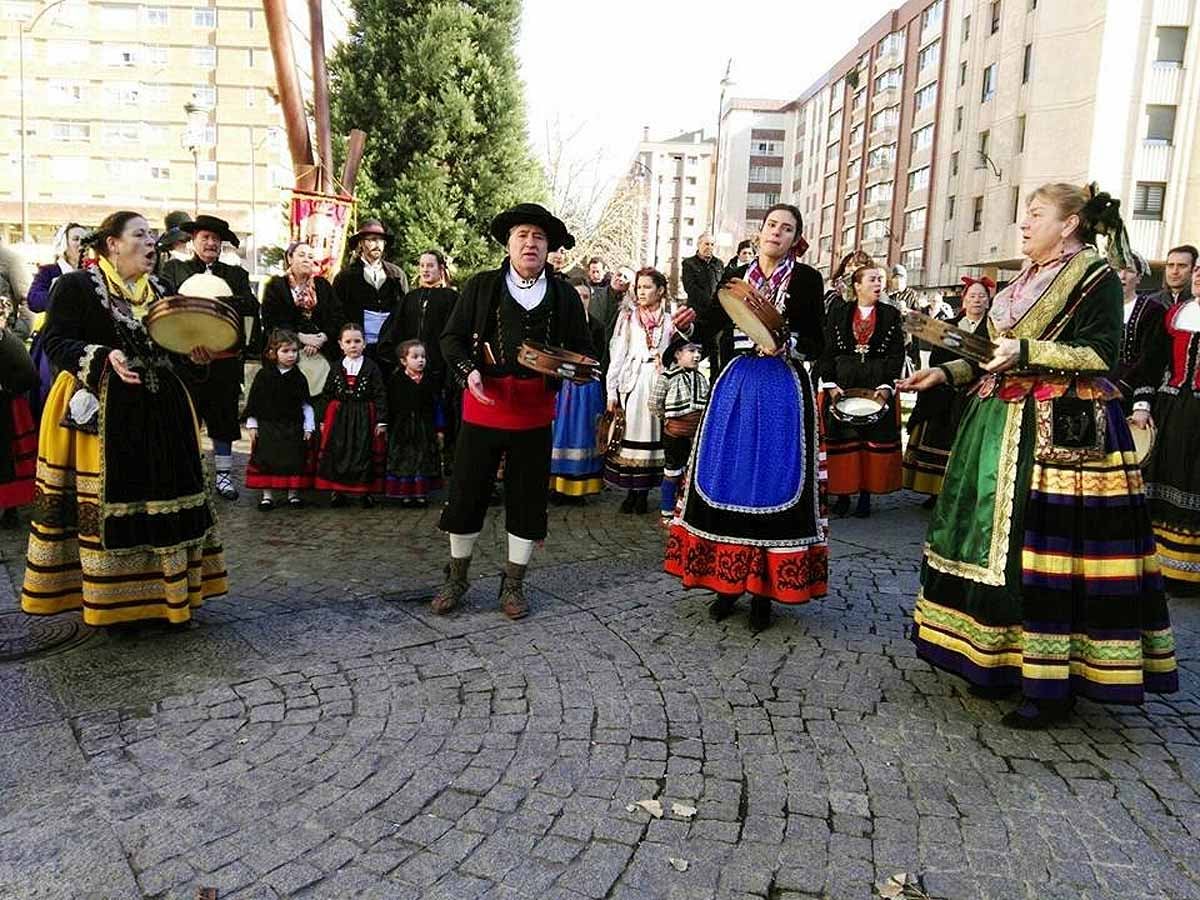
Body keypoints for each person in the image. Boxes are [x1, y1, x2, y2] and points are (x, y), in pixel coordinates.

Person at [900, 182, 1178, 728]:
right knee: (994, 548)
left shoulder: (1092, 275)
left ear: (1069, 224)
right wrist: (946, 371)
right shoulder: (1024, 279)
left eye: (1036, 214)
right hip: (999, 423)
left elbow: (1101, 354)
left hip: (1059, 435)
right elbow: (989, 355)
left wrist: (1027, 351)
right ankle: (995, 660)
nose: (1024, 224)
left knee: (1045, 551)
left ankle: (1052, 683)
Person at [20, 210, 227, 626]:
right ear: (112, 243)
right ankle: (109, 603)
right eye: (140, 234)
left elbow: (176, 351)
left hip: (162, 411)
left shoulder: (163, 288)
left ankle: (166, 598)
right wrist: (101, 355)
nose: (151, 242)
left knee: (166, 499)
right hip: (100, 409)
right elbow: (56, 341)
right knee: (108, 503)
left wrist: (196, 356)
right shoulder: (75, 286)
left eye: (152, 235)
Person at [665, 203, 827, 632]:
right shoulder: (736, 276)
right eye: (772, 225)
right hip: (735, 383)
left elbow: (819, 340)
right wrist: (686, 325)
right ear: (760, 232)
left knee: (773, 480)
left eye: (786, 228)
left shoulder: (807, 281)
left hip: (782, 389)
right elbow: (710, 324)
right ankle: (726, 584)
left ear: (796, 238)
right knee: (729, 476)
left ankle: (764, 592)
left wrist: (789, 343)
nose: (777, 232)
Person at [433, 203, 596, 620]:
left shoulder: (563, 296)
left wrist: (575, 371)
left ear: (549, 248)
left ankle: (514, 583)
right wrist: (467, 372)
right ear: (508, 243)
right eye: (522, 235)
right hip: (483, 404)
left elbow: (585, 354)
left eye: (538, 238)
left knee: (526, 499)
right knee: (466, 493)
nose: (530, 243)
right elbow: (450, 339)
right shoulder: (482, 286)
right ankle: (456, 577)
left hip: (534, 411)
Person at [161, 214, 259, 501]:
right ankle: (189, 477)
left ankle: (224, 477)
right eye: (205, 237)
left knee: (224, 418)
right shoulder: (174, 270)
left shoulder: (236, 275)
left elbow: (250, 308)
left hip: (223, 359)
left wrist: (223, 299)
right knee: (186, 418)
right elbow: (165, 306)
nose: (211, 243)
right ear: (193, 240)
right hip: (186, 358)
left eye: (216, 239)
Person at [820, 265, 905, 519]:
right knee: (842, 440)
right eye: (872, 279)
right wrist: (831, 384)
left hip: (876, 384)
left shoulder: (890, 314)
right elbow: (827, 349)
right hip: (843, 383)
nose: (879, 283)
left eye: (881, 279)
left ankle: (866, 494)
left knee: (870, 440)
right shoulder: (839, 312)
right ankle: (843, 493)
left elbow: (896, 353)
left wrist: (886, 387)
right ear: (857, 285)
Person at [902, 276, 993, 507]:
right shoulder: (949, 326)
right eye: (972, 296)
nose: (977, 300)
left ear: (988, 300)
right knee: (938, 433)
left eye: (981, 296)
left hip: (978, 391)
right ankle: (935, 491)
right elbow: (936, 358)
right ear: (964, 299)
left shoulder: (994, 328)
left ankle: (964, 492)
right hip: (945, 390)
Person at [1140, 261, 1200, 595]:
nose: (1198, 276)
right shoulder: (1175, 315)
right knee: (1167, 479)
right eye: (1198, 271)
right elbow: (1153, 362)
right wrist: (1143, 403)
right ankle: (1161, 566)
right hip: (1173, 408)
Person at [605, 267, 676, 514]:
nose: (641, 291)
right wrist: (611, 391)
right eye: (639, 287)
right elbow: (617, 353)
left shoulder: (670, 319)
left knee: (653, 437)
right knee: (630, 435)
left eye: (647, 287)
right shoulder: (628, 317)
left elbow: (682, 350)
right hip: (633, 382)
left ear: (661, 290)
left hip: (658, 383)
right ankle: (631, 491)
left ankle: (644, 492)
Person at [378, 250, 459, 461]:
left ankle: (441, 460)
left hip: (439, 369)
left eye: (430, 265)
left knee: (439, 415)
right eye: (422, 265)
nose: (425, 270)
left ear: (441, 269)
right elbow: (393, 330)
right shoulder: (409, 298)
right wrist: (401, 359)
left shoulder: (452, 298)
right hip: (409, 371)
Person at [315, 323, 388, 507]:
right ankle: (337, 491)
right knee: (339, 451)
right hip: (340, 418)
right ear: (341, 344)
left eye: (357, 341)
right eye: (348, 341)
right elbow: (327, 392)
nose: (353, 345)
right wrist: (322, 418)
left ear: (364, 343)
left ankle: (364, 492)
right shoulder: (336, 366)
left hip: (364, 416)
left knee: (362, 453)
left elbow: (380, 394)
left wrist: (381, 420)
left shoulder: (372, 367)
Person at [243, 329, 315, 511]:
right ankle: (267, 496)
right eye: (285, 351)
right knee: (267, 460)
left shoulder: (299, 378)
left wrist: (309, 427)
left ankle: (293, 494)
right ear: (272, 353)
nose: (291, 355)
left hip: (293, 426)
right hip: (268, 426)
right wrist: (252, 424)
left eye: (294, 351)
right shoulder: (263, 376)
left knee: (294, 459)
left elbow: (306, 404)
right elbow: (254, 403)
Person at [549, 281, 607, 503]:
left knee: (585, 433)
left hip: (586, 386)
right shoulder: (558, 324)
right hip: (563, 385)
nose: (581, 300)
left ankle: (580, 486)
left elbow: (600, 357)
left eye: (585, 296)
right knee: (560, 432)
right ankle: (556, 485)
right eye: (577, 295)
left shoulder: (597, 325)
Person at [261, 241, 343, 399]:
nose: (307, 259)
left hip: (322, 353)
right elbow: (272, 321)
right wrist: (301, 338)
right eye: (301, 255)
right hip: (287, 351)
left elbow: (337, 316)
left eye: (310, 256)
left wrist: (322, 337)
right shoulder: (276, 286)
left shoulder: (323, 286)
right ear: (290, 258)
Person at [332, 219, 408, 372]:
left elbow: (405, 310)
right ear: (361, 243)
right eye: (372, 240)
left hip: (389, 348)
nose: (377, 244)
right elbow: (336, 313)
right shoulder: (345, 277)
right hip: (359, 348)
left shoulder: (397, 275)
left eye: (381, 240)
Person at [649, 334, 709, 524]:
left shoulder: (701, 378)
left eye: (698, 351)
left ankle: (685, 511)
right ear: (677, 354)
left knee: (691, 472)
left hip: (695, 434)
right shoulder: (667, 377)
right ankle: (667, 512)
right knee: (672, 472)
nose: (697, 355)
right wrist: (665, 419)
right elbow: (654, 402)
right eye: (691, 351)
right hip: (674, 434)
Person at [385, 339, 443, 507]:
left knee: (423, 459)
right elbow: (390, 405)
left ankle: (421, 494)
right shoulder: (396, 380)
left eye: (423, 356)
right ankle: (406, 494)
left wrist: (439, 428)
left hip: (424, 426)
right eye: (415, 356)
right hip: (402, 428)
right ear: (404, 360)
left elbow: (437, 405)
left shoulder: (430, 380)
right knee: (405, 459)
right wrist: (387, 425)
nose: (420, 360)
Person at [1113, 251, 1163, 415]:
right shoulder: (1097, 307)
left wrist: (1126, 388)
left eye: (1129, 270)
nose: (1122, 276)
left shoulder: (1152, 310)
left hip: (1129, 389)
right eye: (1117, 269)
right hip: (1094, 386)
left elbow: (1150, 358)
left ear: (1139, 277)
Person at [0, 325, 38, 528]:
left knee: (8, 460)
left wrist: (6, 388)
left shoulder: (8, 342)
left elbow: (29, 375)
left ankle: (10, 510)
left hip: (7, 408)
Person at [28, 222, 86, 313]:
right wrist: (61, 294)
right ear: (64, 244)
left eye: (84, 240)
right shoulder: (48, 271)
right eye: (75, 239)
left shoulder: (93, 271)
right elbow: (34, 301)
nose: (81, 243)